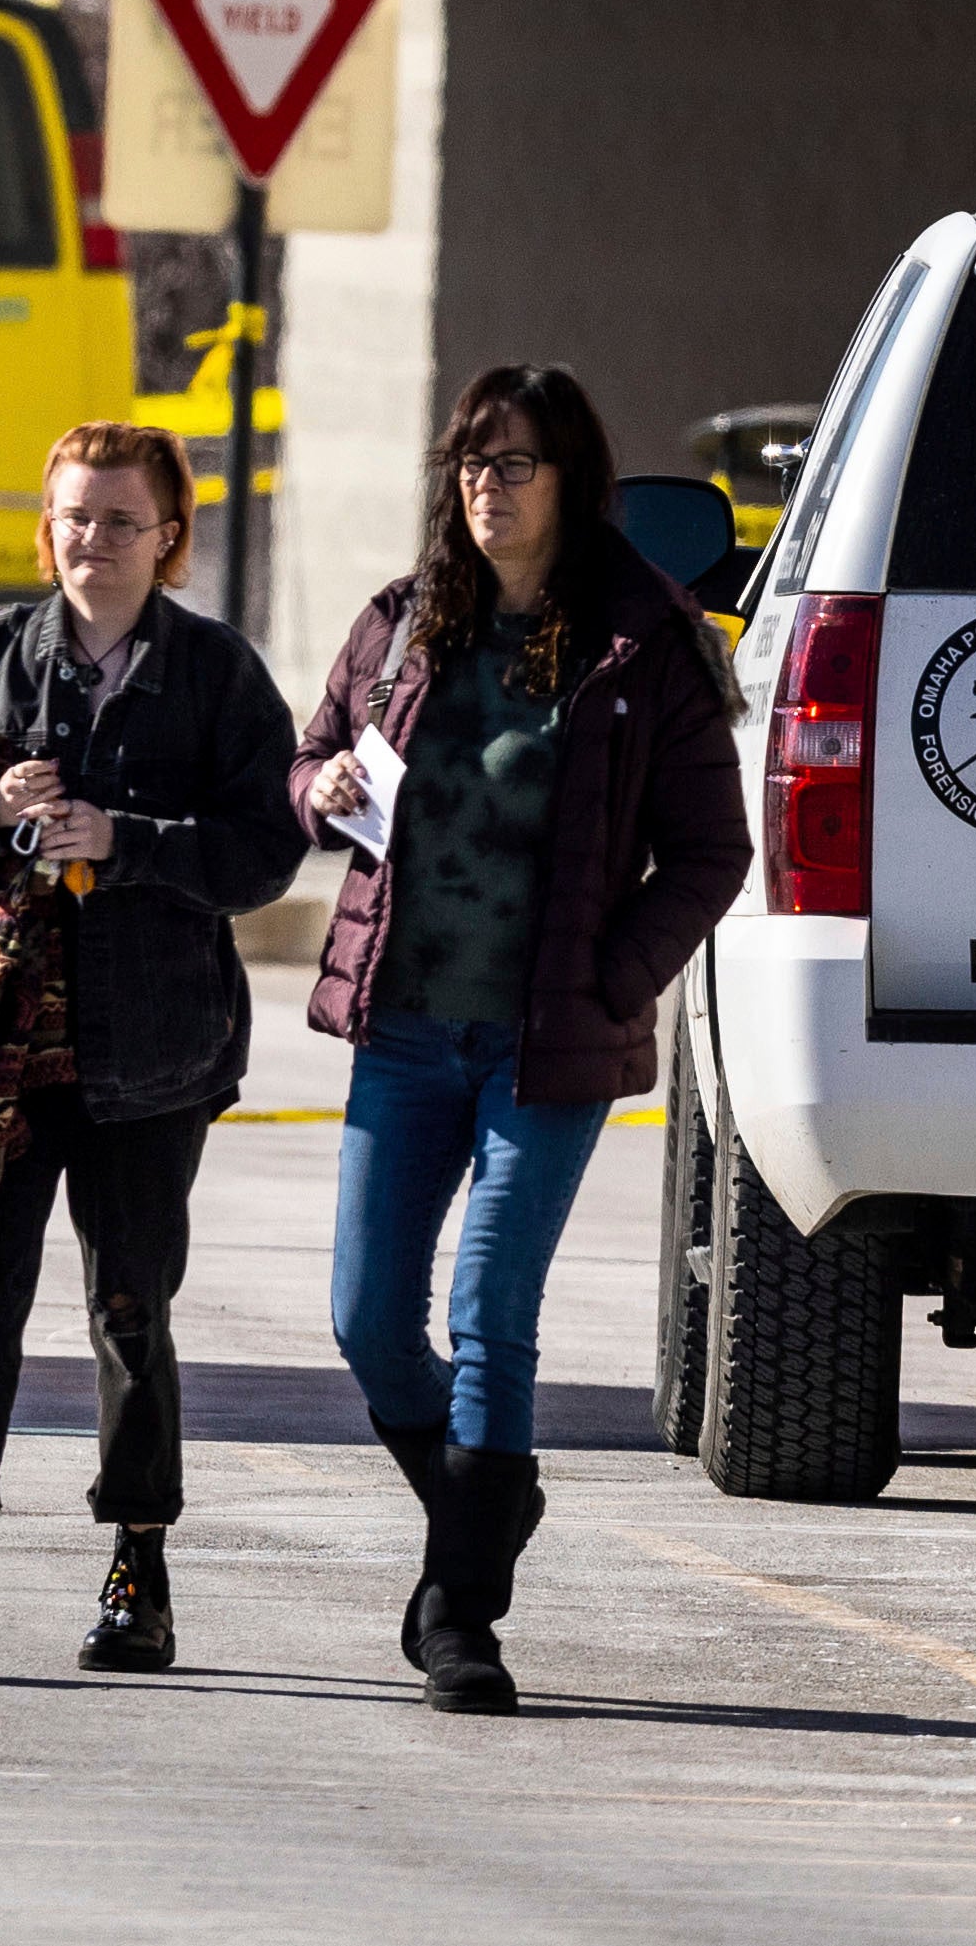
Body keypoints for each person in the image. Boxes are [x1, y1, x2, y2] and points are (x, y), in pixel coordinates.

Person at [0, 419, 303, 1683]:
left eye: (121, 519)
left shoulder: (217, 675)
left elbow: (265, 849)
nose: (93, 539)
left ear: (169, 538)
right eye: (75, 515)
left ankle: (140, 1569)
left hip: (156, 1051)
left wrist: (121, 835)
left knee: (130, 1306)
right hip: (0, 1041)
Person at [291, 360, 745, 1718]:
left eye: (516, 464)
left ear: (570, 482)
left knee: (491, 1311)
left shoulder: (640, 642)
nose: (488, 487)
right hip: (406, 1028)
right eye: (472, 462)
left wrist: (614, 980)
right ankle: (486, 1505)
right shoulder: (399, 625)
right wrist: (314, 784)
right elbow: (307, 771)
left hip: (545, 1040)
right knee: (367, 1319)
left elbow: (708, 854)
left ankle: (458, 1614)